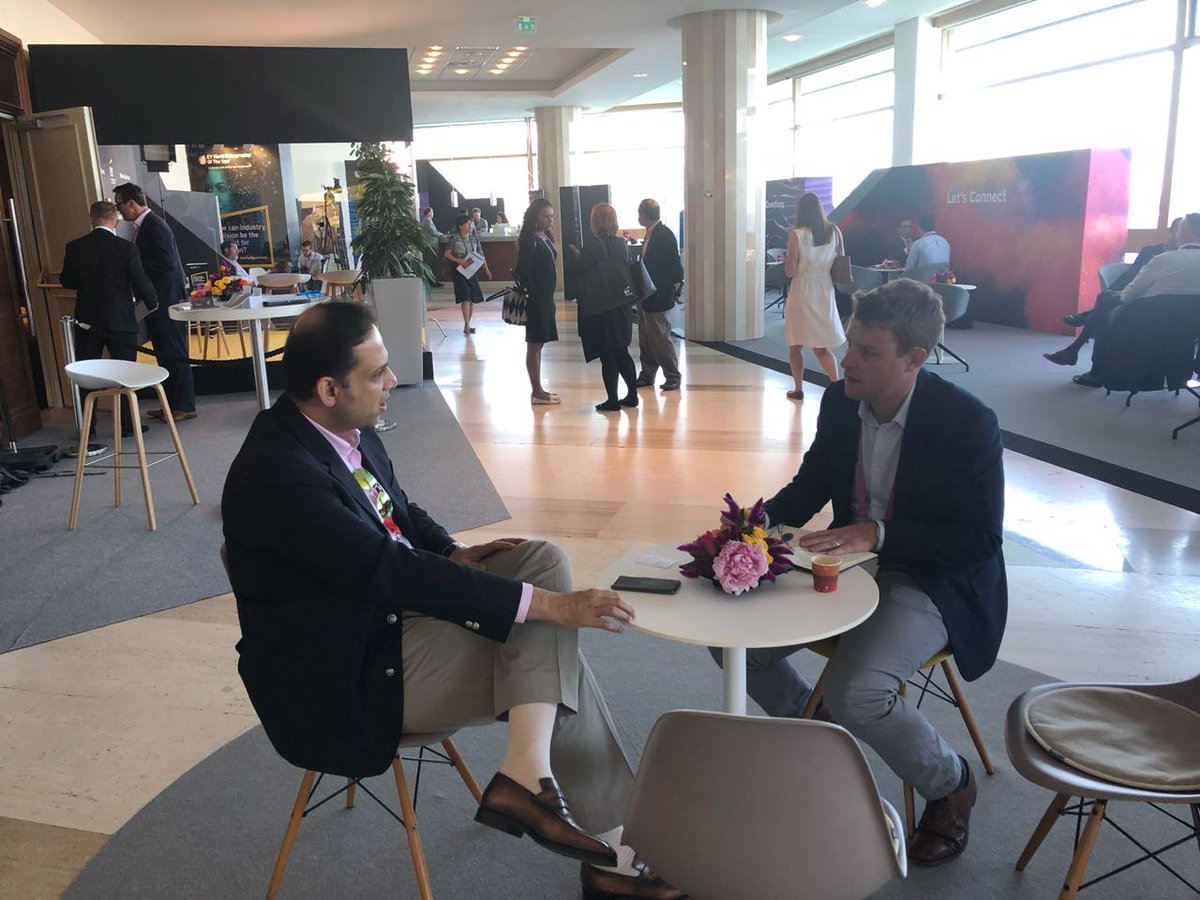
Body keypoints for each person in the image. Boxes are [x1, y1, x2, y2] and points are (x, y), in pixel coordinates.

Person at [222, 301, 681, 900]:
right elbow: (388, 569)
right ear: (329, 389)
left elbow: (399, 512)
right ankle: (609, 846)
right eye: (377, 373)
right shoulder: (278, 473)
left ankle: (528, 773)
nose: (393, 381)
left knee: (542, 563)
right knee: (546, 633)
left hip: (387, 619)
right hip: (344, 675)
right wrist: (549, 608)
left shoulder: (344, 431)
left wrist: (452, 550)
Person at [710, 278, 1006, 868]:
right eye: (851, 345)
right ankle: (823, 732)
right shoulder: (842, 401)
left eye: (868, 352)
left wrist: (879, 533)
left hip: (931, 576)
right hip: (846, 563)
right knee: (733, 642)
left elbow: (979, 539)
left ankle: (951, 783)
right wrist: (751, 530)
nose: (847, 362)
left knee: (858, 691)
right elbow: (812, 484)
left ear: (914, 358)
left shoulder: (967, 422)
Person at [59, 200, 158, 437]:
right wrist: (152, 302)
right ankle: (127, 425)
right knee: (125, 374)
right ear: (115, 221)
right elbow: (140, 281)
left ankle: (88, 427)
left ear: (91, 219)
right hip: (120, 319)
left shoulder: (75, 247)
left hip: (87, 320)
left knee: (87, 373)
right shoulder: (126, 248)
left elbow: (67, 281)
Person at [1069, 213, 1200, 387]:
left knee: (1105, 305)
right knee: (1105, 304)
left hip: (1151, 322)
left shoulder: (1164, 259)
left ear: (1186, 232)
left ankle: (1096, 372)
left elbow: (1129, 294)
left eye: (1179, 230)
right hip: (1192, 328)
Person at [1044, 217, 1182, 367]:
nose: (1180, 235)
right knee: (1104, 304)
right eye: (1178, 230)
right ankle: (1076, 349)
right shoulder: (1151, 251)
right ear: (1170, 231)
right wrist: (1113, 290)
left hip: (1153, 299)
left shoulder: (1182, 258)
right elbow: (1131, 274)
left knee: (1102, 307)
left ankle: (1077, 341)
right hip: (1133, 291)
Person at [113, 182, 196, 422]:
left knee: (173, 351)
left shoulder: (154, 225)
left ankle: (184, 405)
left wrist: (134, 269)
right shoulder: (147, 225)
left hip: (165, 299)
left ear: (132, 203)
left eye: (120, 205)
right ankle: (171, 404)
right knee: (164, 352)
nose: (119, 210)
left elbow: (165, 263)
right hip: (159, 299)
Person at [566, 203, 639, 413]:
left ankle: (612, 400)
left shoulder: (593, 247)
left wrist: (576, 257)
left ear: (595, 222)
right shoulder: (621, 244)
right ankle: (632, 394)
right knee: (622, 351)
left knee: (607, 355)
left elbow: (576, 270)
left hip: (601, 307)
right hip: (622, 306)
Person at [783, 192, 845, 399]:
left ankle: (798, 388)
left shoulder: (797, 235)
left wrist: (787, 261)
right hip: (824, 289)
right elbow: (841, 260)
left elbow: (790, 271)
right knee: (821, 347)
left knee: (796, 343)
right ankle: (836, 386)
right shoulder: (834, 231)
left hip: (802, 289)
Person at [632, 199, 683, 393]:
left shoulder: (664, 234)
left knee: (660, 337)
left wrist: (677, 287)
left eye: (639, 213)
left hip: (658, 294)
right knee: (645, 338)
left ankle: (672, 376)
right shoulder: (651, 233)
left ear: (644, 215)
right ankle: (647, 374)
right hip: (645, 294)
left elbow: (675, 264)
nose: (638, 217)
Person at [515, 198, 560, 405]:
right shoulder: (529, 239)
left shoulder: (544, 236)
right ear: (535, 217)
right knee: (534, 344)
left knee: (539, 343)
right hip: (537, 299)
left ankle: (539, 389)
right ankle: (536, 391)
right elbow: (522, 271)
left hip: (546, 297)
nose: (550, 220)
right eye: (545, 216)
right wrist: (533, 296)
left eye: (551, 216)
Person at [444, 213, 491, 335]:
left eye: (470, 224)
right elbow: (447, 253)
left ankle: (468, 325)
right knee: (465, 297)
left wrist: (486, 269)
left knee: (471, 299)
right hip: (459, 270)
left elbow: (481, 254)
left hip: (471, 270)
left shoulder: (474, 238)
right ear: (460, 226)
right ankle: (466, 325)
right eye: (467, 224)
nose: (470, 226)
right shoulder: (454, 238)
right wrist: (458, 260)